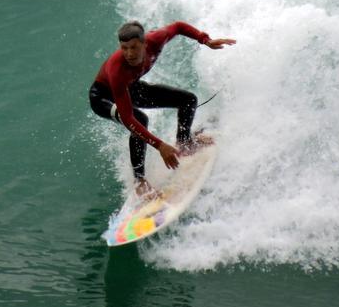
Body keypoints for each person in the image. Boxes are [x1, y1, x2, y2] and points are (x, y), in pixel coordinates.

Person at [89, 20, 236, 198]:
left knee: (188, 100)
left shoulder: (156, 39)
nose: (128, 53)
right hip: (104, 96)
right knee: (140, 119)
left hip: (132, 88)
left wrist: (205, 40)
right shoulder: (117, 69)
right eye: (124, 48)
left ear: (144, 43)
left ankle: (184, 142)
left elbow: (179, 26)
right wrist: (160, 146)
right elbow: (128, 119)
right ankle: (139, 180)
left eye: (134, 47)